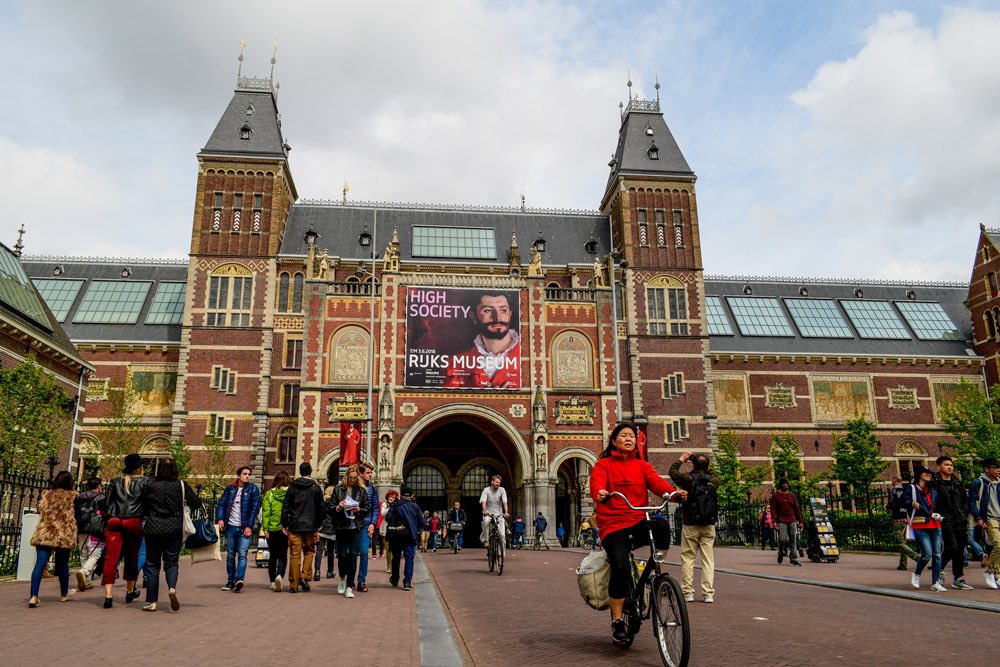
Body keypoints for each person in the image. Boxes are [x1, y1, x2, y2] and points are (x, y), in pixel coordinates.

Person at [591, 423, 686, 646]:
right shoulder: (603, 465)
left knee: (662, 527)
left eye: (632, 436)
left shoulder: (642, 465)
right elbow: (596, 484)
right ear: (614, 441)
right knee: (621, 567)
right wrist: (600, 493)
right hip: (613, 524)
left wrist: (672, 494)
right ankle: (617, 621)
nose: (628, 439)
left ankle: (655, 568)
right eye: (623, 436)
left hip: (636, 519)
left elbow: (657, 484)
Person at [141, 457, 202, 611]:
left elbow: (143, 506)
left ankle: (151, 601)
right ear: (175, 469)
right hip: (174, 527)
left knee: (153, 564)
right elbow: (196, 503)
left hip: (153, 526)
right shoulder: (181, 485)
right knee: (171, 562)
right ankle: (172, 589)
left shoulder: (150, 485)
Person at [669, 451, 720, 603]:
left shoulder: (688, 479)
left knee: (688, 558)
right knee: (708, 560)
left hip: (690, 523)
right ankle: (708, 593)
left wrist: (682, 459)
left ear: (693, 464)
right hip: (708, 524)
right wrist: (703, 465)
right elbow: (713, 473)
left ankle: (688, 593)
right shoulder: (714, 480)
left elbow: (672, 472)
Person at [443, 292, 521, 388]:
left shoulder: (528, 355)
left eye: (503, 310)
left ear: (510, 314)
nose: (498, 317)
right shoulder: (455, 364)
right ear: (473, 317)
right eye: (487, 310)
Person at [102, 453, 148, 608]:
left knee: (110, 558)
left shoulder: (115, 482)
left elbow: (106, 504)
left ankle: (108, 596)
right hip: (133, 521)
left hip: (114, 521)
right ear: (139, 467)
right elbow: (147, 505)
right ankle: (129, 591)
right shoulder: (144, 483)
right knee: (132, 557)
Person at [28, 470, 78, 607]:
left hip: (46, 531)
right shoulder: (73, 497)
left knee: (40, 563)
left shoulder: (46, 495)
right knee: (62, 565)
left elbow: (42, 511)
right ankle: (63, 593)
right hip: (64, 534)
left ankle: (34, 596)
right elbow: (76, 515)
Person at [215, 466, 261, 592]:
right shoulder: (230, 489)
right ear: (238, 475)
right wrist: (220, 518)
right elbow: (221, 504)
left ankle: (238, 580)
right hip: (230, 527)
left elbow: (254, 509)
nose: (247, 476)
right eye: (245, 473)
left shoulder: (253, 489)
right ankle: (230, 581)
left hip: (243, 528)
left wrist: (249, 526)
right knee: (230, 555)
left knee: (242, 555)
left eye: (249, 474)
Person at [281, 461, 324, 593]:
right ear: (310, 472)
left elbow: (286, 506)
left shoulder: (292, 487)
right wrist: (319, 524)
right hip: (311, 526)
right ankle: (304, 576)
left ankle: (293, 585)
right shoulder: (315, 488)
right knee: (309, 551)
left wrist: (285, 523)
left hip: (294, 525)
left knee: (294, 554)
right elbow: (321, 508)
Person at [328, 464, 370, 598]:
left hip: (355, 527)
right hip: (341, 527)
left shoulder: (362, 491)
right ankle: (342, 579)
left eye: (354, 478)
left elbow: (367, 509)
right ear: (346, 476)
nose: (352, 480)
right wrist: (338, 507)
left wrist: (359, 510)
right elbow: (330, 508)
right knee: (342, 555)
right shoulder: (338, 489)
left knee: (353, 555)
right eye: (350, 477)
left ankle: (350, 585)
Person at [934, 455, 973, 590]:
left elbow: (965, 500)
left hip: (960, 520)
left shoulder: (957, 482)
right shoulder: (935, 483)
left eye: (951, 465)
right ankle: (938, 570)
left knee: (960, 550)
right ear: (939, 467)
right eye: (946, 465)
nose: (950, 467)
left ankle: (958, 578)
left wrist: (964, 513)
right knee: (952, 547)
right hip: (945, 520)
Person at [908, 466, 945, 591]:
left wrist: (939, 514)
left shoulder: (932, 490)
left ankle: (935, 582)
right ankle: (917, 574)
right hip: (920, 525)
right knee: (927, 554)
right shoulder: (912, 488)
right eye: (926, 473)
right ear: (919, 474)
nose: (929, 475)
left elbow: (938, 504)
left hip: (935, 524)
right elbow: (904, 501)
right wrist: (922, 508)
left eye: (930, 473)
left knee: (937, 555)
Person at [385, 484, 424, 590]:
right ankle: (407, 582)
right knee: (409, 559)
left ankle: (395, 578)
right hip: (410, 536)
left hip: (396, 535)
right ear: (411, 496)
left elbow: (387, 517)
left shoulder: (395, 505)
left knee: (396, 558)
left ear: (401, 495)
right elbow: (422, 522)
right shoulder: (415, 506)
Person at [969, 457, 1000, 590]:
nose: (998, 470)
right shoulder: (979, 482)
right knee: (999, 545)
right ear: (986, 469)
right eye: (995, 467)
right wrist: (978, 517)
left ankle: (997, 575)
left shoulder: (999, 483)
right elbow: (971, 501)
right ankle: (989, 571)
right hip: (989, 518)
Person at [74, 476, 106, 592]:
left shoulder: (79, 497)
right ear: (98, 486)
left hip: (81, 527)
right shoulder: (101, 498)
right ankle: (84, 572)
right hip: (95, 529)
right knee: (95, 554)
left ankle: (87, 581)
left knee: (83, 553)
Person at [261, 470, 290, 592]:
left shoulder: (269, 494)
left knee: (272, 555)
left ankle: (272, 581)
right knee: (283, 554)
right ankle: (280, 575)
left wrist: (265, 528)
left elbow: (266, 512)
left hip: (272, 529)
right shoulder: (290, 493)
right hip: (284, 529)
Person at [357, 461, 381, 592]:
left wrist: (373, 523)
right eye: (368, 473)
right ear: (361, 474)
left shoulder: (373, 489)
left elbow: (375, 508)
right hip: (353, 524)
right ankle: (348, 580)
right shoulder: (354, 488)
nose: (370, 475)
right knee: (351, 553)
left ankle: (361, 581)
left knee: (365, 552)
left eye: (371, 473)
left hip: (366, 523)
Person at [888, 474, 920, 570]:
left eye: (891, 480)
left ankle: (917, 557)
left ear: (894, 480)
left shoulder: (892, 490)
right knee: (903, 543)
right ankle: (903, 564)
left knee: (899, 542)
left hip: (897, 519)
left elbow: (891, 504)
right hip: (907, 519)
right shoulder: (907, 490)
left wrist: (888, 507)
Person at [769, 479, 803, 567]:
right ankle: (781, 552)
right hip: (781, 520)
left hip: (792, 520)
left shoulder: (792, 496)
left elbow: (797, 509)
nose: (785, 485)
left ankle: (793, 559)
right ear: (780, 485)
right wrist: (774, 521)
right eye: (783, 484)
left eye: (786, 484)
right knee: (783, 539)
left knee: (793, 539)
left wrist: (801, 521)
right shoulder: (775, 496)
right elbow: (773, 510)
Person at [480, 474, 509, 549]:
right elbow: (483, 502)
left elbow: (505, 502)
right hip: (488, 513)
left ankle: (501, 552)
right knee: (485, 522)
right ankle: (486, 541)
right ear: (492, 482)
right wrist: (485, 511)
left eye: (499, 482)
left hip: (499, 514)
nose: (498, 484)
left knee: (502, 535)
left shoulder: (502, 490)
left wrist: (506, 512)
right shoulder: (486, 490)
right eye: (496, 482)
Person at [314, 486, 336, 581]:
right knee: (331, 552)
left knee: (319, 551)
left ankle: (317, 571)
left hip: (322, 528)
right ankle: (329, 571)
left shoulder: (321, 503)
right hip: (332, 529)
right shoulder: (334, 504)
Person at [382, 490, 399, 573]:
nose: (391, 498)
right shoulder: (384, 505)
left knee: (395, 548)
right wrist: (391, 508)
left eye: (393, 497)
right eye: (390, 496)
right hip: (385, 529)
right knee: (388, 548)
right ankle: (389, 566)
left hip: (394, 529)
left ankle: (393, 566)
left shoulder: (397, 505)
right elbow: (382, 513)